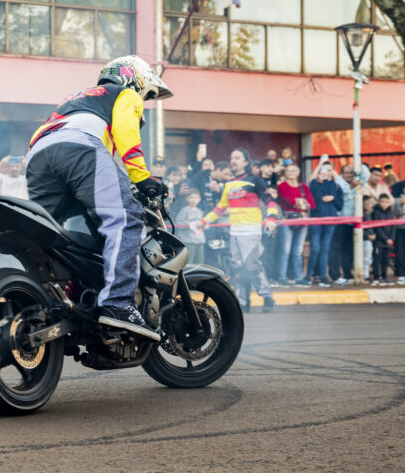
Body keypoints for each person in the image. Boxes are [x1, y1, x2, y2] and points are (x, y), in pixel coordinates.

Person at [25, 55, 170, 339]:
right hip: (80, 149)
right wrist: (142, 178)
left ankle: (47, 296)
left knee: (47, 234)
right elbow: (126, 134)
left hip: (38, 155)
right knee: (126, 219)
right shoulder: (125, 93)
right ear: (135, 77)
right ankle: (118, 304)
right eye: (148, 93)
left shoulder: (75, 99)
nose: (145, 100)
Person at [202, 148, 279, 313]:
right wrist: (205, 221)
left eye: (237, 158)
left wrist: (272, 218)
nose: (234, 160)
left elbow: (270, 201)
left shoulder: (255, 180)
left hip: (252, 230)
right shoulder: (229, 184)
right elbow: (221, 207)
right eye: (232, 158)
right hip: (235, 231)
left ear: (245, 161)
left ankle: (267, 297)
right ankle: (244, 301)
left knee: (251, 266)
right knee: (238, 267)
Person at [276, 162, 314, 285]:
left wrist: (299, 203)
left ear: (298, 173)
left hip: (302, 221)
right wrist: (302, 203)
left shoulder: (304, 187)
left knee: (298, 251)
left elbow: (312, 204)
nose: (291, 173)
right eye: (288, 170)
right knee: (285, 250)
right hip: (287, 220)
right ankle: (282, 277)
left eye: (294, 170)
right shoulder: (281, 186)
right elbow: (289, 201)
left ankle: (298, 277)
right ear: (285, 173)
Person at [306, 163, 343, 286]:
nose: (326, 172)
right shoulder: (314, 183)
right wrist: (320, 182)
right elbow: (313, 199)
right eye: (324, 170)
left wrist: (333, 198)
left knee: (325, 249)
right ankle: (308, 275)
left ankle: (323, 276)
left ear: (333, 172)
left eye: (329, 170)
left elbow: (339, 205)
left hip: (330, 220)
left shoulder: (336, 185)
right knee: (315, 248)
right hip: (316, 219)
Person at [368, 193, 396, 285]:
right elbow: (377, 228)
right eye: (382, 202)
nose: (384, 204)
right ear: (379, 202)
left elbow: (393, 227)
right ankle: (376, 277)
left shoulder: (390, 213)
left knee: (386, 259)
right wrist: (385, 239)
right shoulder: (375, 212)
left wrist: (391, 238)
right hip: (379, 241)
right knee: (377, 259)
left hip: (388, 241)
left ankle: (384, 276)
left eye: (386, 202)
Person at [174, 190, 206, 265]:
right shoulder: (184, 210)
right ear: (187, 199)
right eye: (191, 197)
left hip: (200, 240)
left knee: (200, 263)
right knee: (189, 262)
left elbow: (203, 224)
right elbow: (178, 224)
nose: (193, 200)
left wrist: (204, 225)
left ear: (199, 199)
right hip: (188, 240)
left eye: (196, 198)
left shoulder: (200, 211)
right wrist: (187, 224)